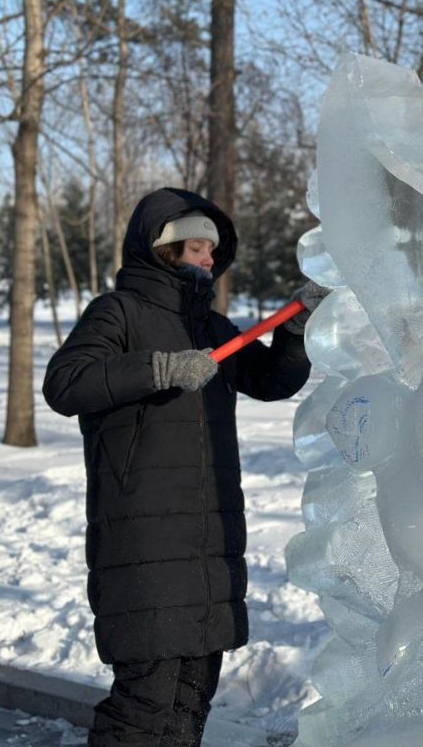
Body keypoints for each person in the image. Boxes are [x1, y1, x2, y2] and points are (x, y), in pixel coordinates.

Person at [43, 188, 328, 746]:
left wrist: (293, 331)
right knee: (145, 704)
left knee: (190, 699)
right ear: (162, 250)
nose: (208, 259)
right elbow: (65, 383)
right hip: (143, 534)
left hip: (209, 535)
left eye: (211, 251)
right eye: (195, 247)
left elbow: (272, 381)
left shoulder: (214, 328)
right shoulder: (117, 312)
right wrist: (159, 368)